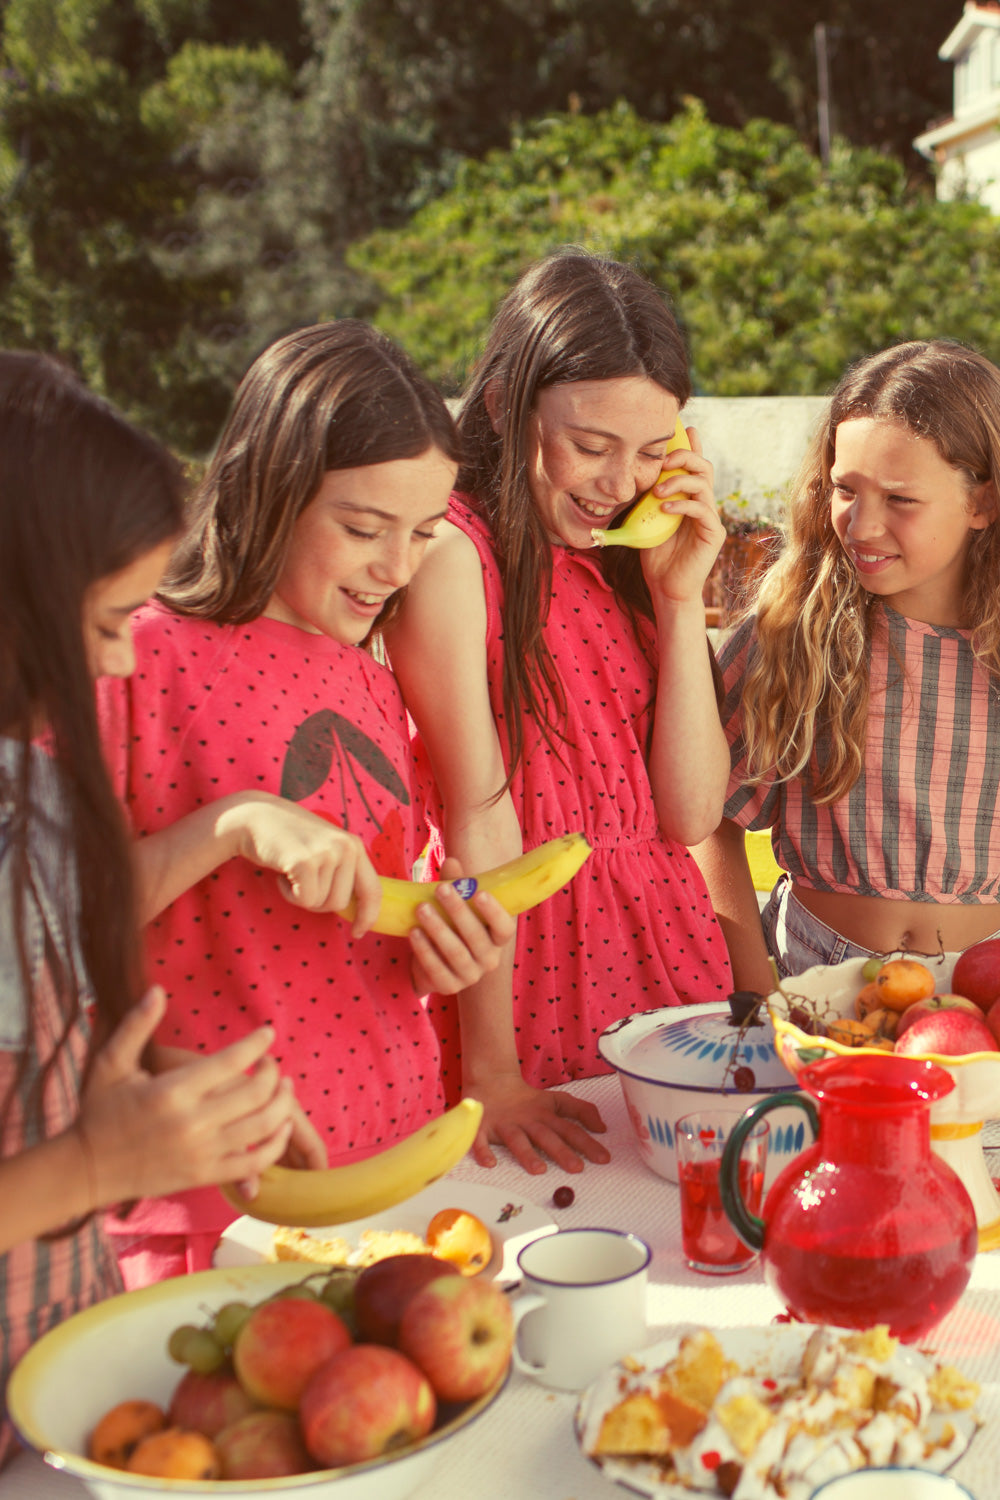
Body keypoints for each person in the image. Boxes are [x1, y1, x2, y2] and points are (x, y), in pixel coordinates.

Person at [96, 320, 515, 1288]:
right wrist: (226, 826)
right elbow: (50, 928)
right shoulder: (138, 653)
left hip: (388, 1168)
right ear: (268, 490)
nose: (396, 567)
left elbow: (347, 930)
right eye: (364, 529)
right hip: (211, 1201)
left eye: (422, 533)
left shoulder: (369, 676)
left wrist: (439, 956)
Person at [0, 351, 320, 1469]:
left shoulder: (29, 794)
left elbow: (40, 1054)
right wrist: (93, 1169)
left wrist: (183, 1098)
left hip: (61, 1397)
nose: (122, 666)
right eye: (101, 623)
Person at [385, 249, 734, 1178]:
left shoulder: (629, 566)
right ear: (505, 406)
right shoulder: (457, 558)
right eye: (590, 445)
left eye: (655, 452)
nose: (621, 483)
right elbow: (477, 812)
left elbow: (690, 816)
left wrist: (680, 597)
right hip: (528, 970)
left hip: (661, 960)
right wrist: (492, 1071)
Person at [691, 339, 1000, 994]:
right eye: (844, 490)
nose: (860, 526)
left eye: (900, 499)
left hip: (985, 991)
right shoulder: (790, 637)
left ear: (983, 504)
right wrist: (753, 983)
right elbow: (708, 819)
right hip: (809, 971)